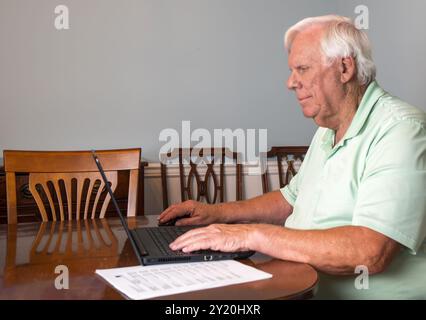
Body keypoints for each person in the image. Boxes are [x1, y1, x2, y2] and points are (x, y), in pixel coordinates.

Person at [158, 15, 426, 299]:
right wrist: (217, 213)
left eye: (303, 69)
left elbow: (370, 251)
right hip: (303, 288)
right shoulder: (327, 130)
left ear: (345, 67)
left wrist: (249, 235)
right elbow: (290, 198)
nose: (290, 82)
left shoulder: (401, 129)